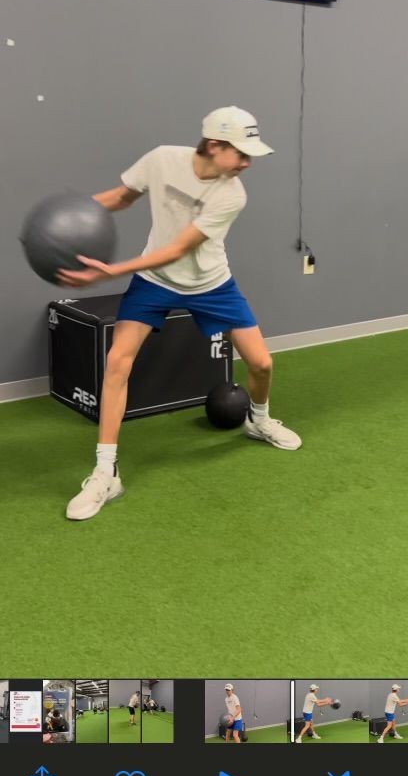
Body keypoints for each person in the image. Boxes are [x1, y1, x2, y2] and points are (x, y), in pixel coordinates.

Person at [58, 108, 302, 521]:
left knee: (261, 362)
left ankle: (258, 420)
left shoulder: (232, 194)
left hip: (211, 283)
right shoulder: (161, 160)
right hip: (154, 281)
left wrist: (111, 271)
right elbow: (120, 197)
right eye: (240, 153)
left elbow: (178, 249)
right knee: (117, 362)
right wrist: (69, 217)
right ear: (213, 144)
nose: (247, 163)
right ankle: (105, 472)